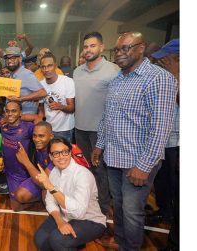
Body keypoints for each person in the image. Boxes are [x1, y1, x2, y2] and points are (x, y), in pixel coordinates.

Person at [91, 32, 178, 251]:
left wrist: (144, 165)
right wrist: (100, 145)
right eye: (117, 50)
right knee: (118, 205)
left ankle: (130, 247)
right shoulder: (117, 79)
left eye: (126, 48)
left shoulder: (159, 78)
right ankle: (121, 241)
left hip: (137, 161)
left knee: (132, 210)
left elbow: (161, 127)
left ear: (141, 48)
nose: (120, 53)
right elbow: (107, 117)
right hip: (114, 156)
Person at [73, 32, 119, 220]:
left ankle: (103, 208)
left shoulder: (113, 70)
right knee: (85, 168)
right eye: (86, 46)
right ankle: (89, 202)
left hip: (101, 131)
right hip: (80, 129)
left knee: (101, 170)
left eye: (92, 46)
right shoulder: (77, 71)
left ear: (101, 47)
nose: (88, 49)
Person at [34, 137, 106, 251]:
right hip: (65, 216)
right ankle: (75, 244)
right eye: (56, 153)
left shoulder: (82, 175)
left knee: (57, 240)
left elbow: (79, 213)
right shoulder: (54, 173)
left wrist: (52, 188)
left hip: (89, 220)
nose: (61, 156)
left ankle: (72, 243)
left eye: (65, 152)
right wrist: (59, 221)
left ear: (70, 152)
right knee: (40, 241)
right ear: (50, 157)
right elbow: (50, 201)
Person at [150, 39, 180, 251]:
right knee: (162, 177)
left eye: (166, 59)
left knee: (176, 183)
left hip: (179, 139)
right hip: (165, 136)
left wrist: (176, 75)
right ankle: (165, 211)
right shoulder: (164, 76)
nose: (161, 63)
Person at [0, 101, 39, 211]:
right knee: (15, 206)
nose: (9, 114)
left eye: (14, 111)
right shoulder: (2, 124)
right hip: (7, 171)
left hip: (21, 173)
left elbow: (38, 120)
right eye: (7, 111)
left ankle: (41, 197)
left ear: (20, 113)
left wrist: (25, 117)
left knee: (16, 207)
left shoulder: (28, 127)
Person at [38, 52, 75, 142]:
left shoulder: (67, 81)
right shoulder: (40, 85)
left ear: (55, 66)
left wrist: (60, 106)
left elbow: (72, 108)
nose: (46, 69)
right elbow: (41, 108)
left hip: (65, 129)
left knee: (63, 155)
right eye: (43, 67)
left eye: (49, 66)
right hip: (48, 129)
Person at [15, 121, 55, 199]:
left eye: (41, 136)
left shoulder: (56, 152)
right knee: (20, 195)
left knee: (45, 194)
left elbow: (44, 183)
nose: (37, 139)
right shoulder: (31, 145)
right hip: (39, 176)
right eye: (34, 136)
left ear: (51, 136)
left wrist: (26, 162)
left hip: (54, 182)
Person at [4, 47, 47, 115]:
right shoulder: (12, 75)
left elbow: (43, 93)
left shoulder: (26, 74)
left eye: (13, 58)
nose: (9, 61)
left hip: (25, 120)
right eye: (7, 58)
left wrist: (20, 99)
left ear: (20, 59)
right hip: (14, 119)